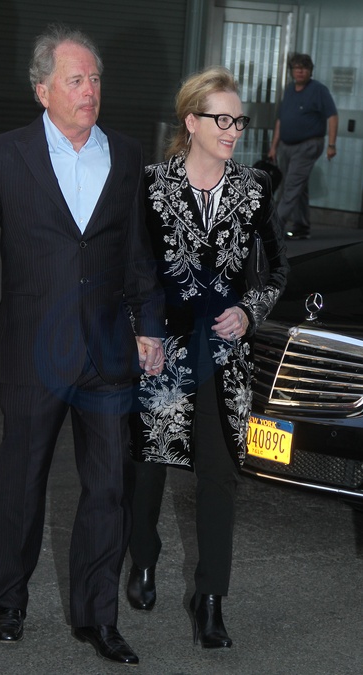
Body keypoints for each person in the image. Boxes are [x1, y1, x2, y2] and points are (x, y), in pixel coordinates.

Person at [0, 23, 165, 667]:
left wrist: (149, 324)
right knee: (22, 479)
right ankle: (10, 598)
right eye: (75, 80)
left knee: (108, 489)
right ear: (43, 91)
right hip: (31, 350)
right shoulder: (5, 154)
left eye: (95, 80)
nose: (89, 91)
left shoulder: (127, 154)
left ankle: (98, 617)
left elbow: (137, 252)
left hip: (107, 353)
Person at [126, 66, 289, 649]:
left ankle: (211, 598)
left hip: (225, 357)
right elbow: (133, 268)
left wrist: (249, 311)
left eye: (239, 120)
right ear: (190, 121)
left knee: (220, 476)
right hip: (163, 351)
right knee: (147, 465)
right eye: (222, 119)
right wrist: (141, 332)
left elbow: (278, 267)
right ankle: (143, 556)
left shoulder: (254, 188)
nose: (233, 130)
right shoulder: (150, 185)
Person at [267, 52, 338, 240]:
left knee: (291, 186)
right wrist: (274, 146)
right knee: (297, 185)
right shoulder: (290, 90)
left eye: (304, 68)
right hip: (286, 145)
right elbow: (281, 120)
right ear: (292, 71)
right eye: (297, 68)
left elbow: (332, 116)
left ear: (310, 71)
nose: (300, 71)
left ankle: (272, 230)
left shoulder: (319, 90)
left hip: (308, 145)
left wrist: (331, 144)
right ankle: (301, 227)